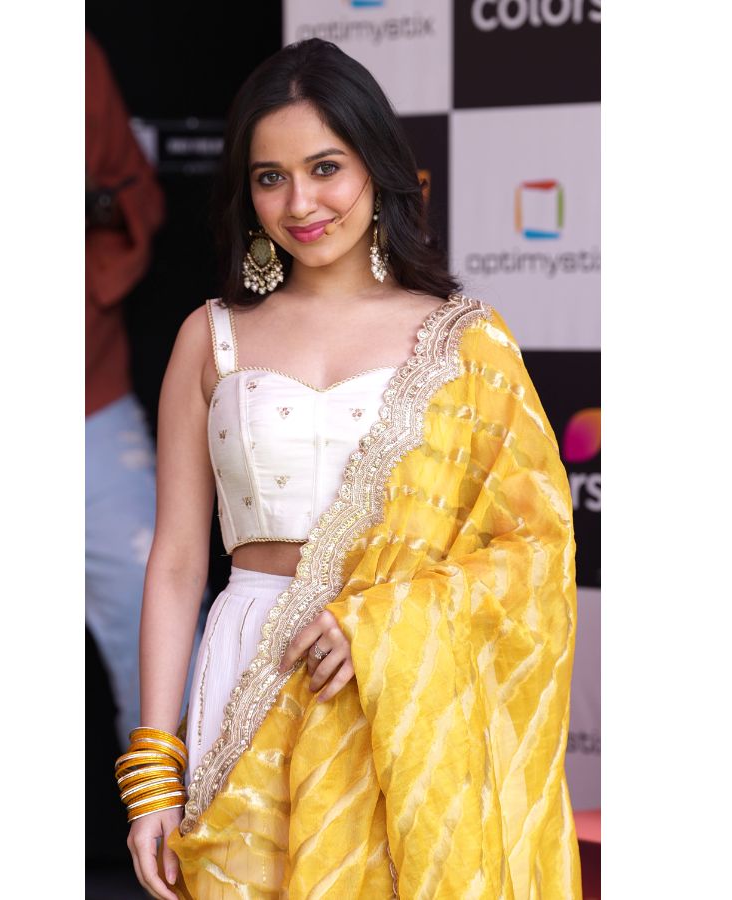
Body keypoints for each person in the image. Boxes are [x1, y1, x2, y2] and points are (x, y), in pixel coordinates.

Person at [115, 39, 581, 899]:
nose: (301, 203)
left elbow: (535, 550)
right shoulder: (210, 337)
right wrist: (153, 772)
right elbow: (178, 561)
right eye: (270, 177)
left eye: (325, 167)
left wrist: (380, 626)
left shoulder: (464, 342)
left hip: (391, 688)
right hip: (249, 665)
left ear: (376, 165)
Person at [85, 30, 166, 751]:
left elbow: (131, 193)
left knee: (161, 630)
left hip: (88, 398)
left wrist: (89, 205)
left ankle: (179, 812)